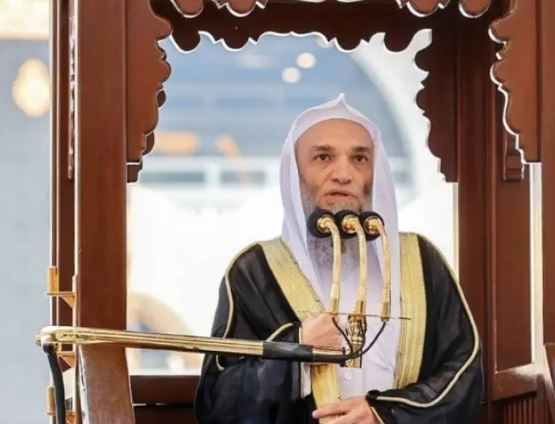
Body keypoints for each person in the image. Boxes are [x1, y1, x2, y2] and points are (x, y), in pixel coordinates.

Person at [195, 94, 483, 424]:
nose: (343, 174)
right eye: (323, 157)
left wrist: (385, 414)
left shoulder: (420, 261)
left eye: (359, 158)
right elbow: (219, 401)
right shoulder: (254, 272)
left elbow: (463, 373)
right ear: (295, 173)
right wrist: (296, 348)